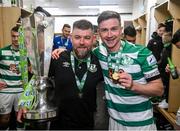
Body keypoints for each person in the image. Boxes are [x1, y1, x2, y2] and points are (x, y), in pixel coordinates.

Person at [51, 11, 164, 130]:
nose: (109, 34)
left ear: (121, 30)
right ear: (99, 34)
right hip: (114, 122)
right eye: (104, 30)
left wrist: (134, 86)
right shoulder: (98, 54)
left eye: (114, 29)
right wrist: (62, 51)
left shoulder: (142, 53)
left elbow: (159, 90)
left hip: (141, 124)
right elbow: (81, 51)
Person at [17, 19, 103, 130]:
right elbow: (37, 79)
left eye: (87, 38)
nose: (82, 42)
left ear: (93, 39)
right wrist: (26, 102)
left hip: (87, 123)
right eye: (77, 37)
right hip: (59, 123)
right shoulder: (57, 58)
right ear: (71, 38)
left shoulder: (100, 62)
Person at [0, 25, 23, 130]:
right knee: (4, 119)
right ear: (11, 36)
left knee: (21, 118)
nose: (16, 39)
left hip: (21, 89)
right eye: (13, 36)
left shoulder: (26, 53)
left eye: (18, 36)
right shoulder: (2, 51)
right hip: (6, 90)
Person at [158, 31, 172, 109]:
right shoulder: (166, 48)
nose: (162, 40)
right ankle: (166, 100)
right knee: (166, 86)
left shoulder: (168, 49)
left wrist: (157, 65)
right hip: (165, 70)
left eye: (163, 38)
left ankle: (167, 102)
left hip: (167, 71)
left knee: (167, 86)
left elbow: (163, 61)